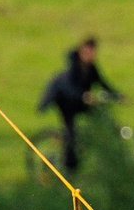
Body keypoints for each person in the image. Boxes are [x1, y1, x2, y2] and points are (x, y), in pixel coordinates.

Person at [37, 36, 120, 174]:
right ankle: (69, 168)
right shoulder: (73, 67)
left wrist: (117, 96)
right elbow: (67, 88)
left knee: (100, 117)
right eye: (88, 51)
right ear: (82, 51)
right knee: (70, 134)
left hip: (79, 102)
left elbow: (103, 83)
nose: (91, 55)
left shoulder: (91, 68)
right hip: (65, 101)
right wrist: (83, 96)